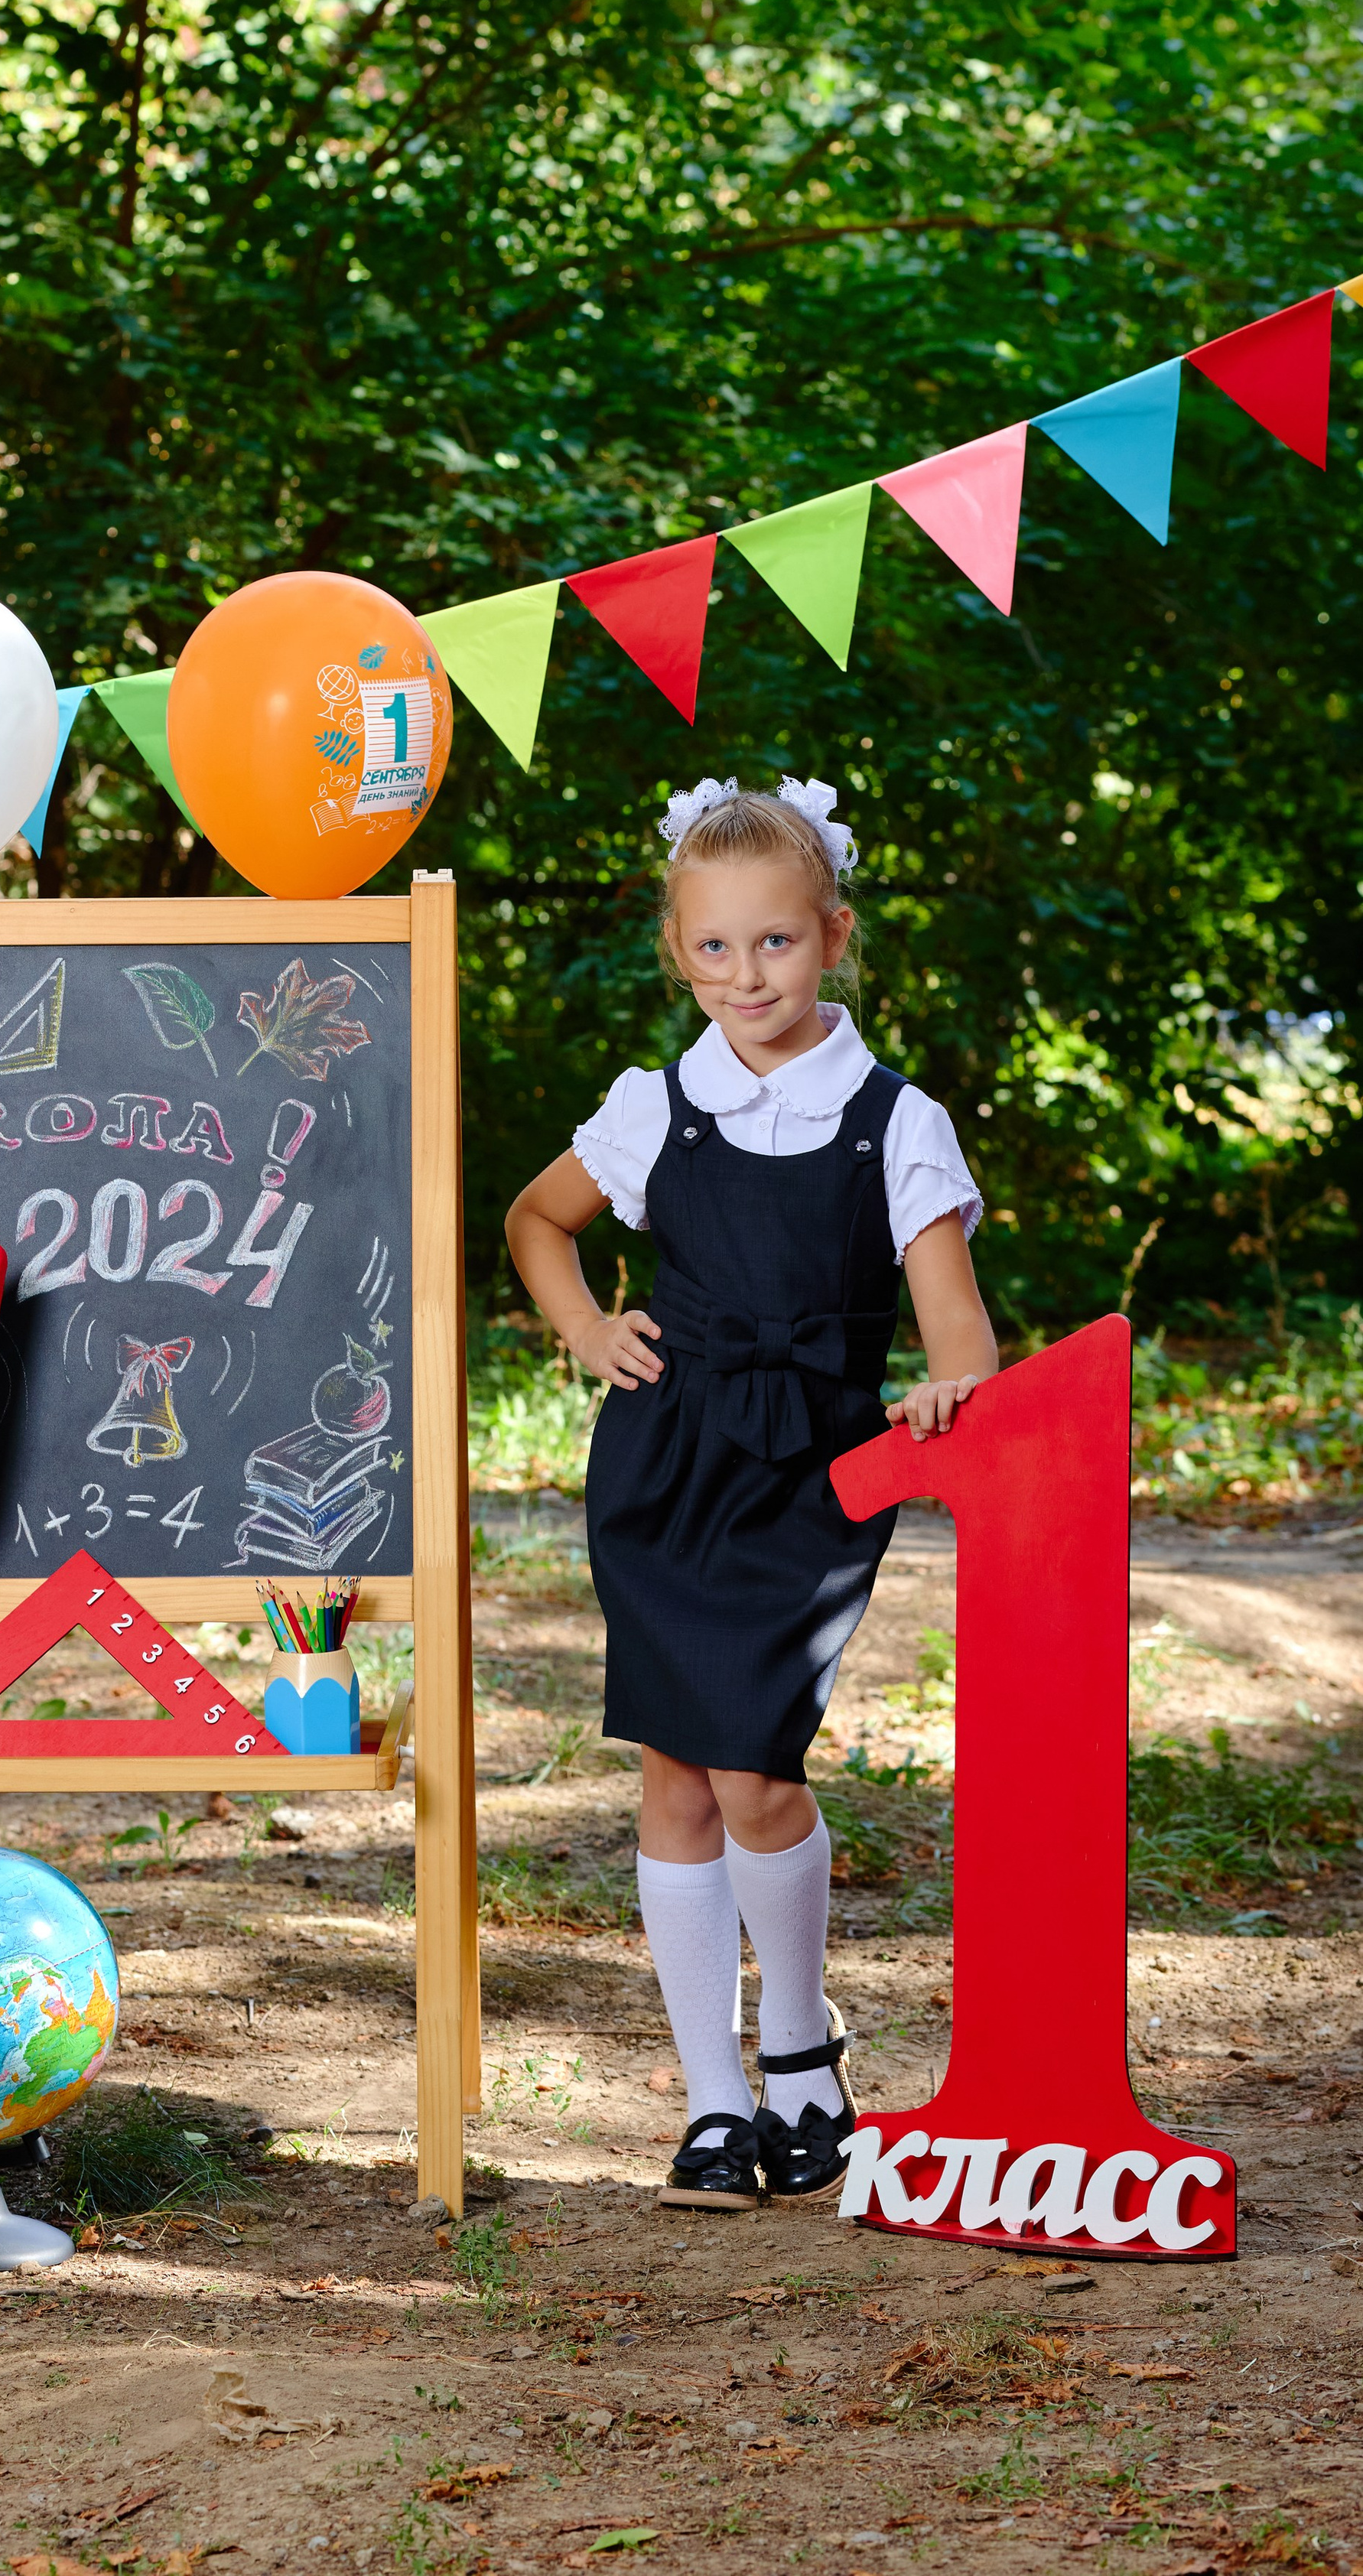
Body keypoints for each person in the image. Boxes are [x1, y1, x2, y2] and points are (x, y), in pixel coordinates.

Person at [504, 775, 994, 2209]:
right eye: (713, 948)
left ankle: (800, 2056)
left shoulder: (895, 1121)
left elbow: (956, 1321)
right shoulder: (658, 1107)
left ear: (832, 936)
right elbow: (538, 1219)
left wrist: (945, 1385)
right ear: (678, 950)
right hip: (663, 1461)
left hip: (810, 1477)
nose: (745, 976)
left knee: (759, 1774)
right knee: (672, 1770)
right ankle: (716, 2103)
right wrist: (587, 1325)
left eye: (774, 943)